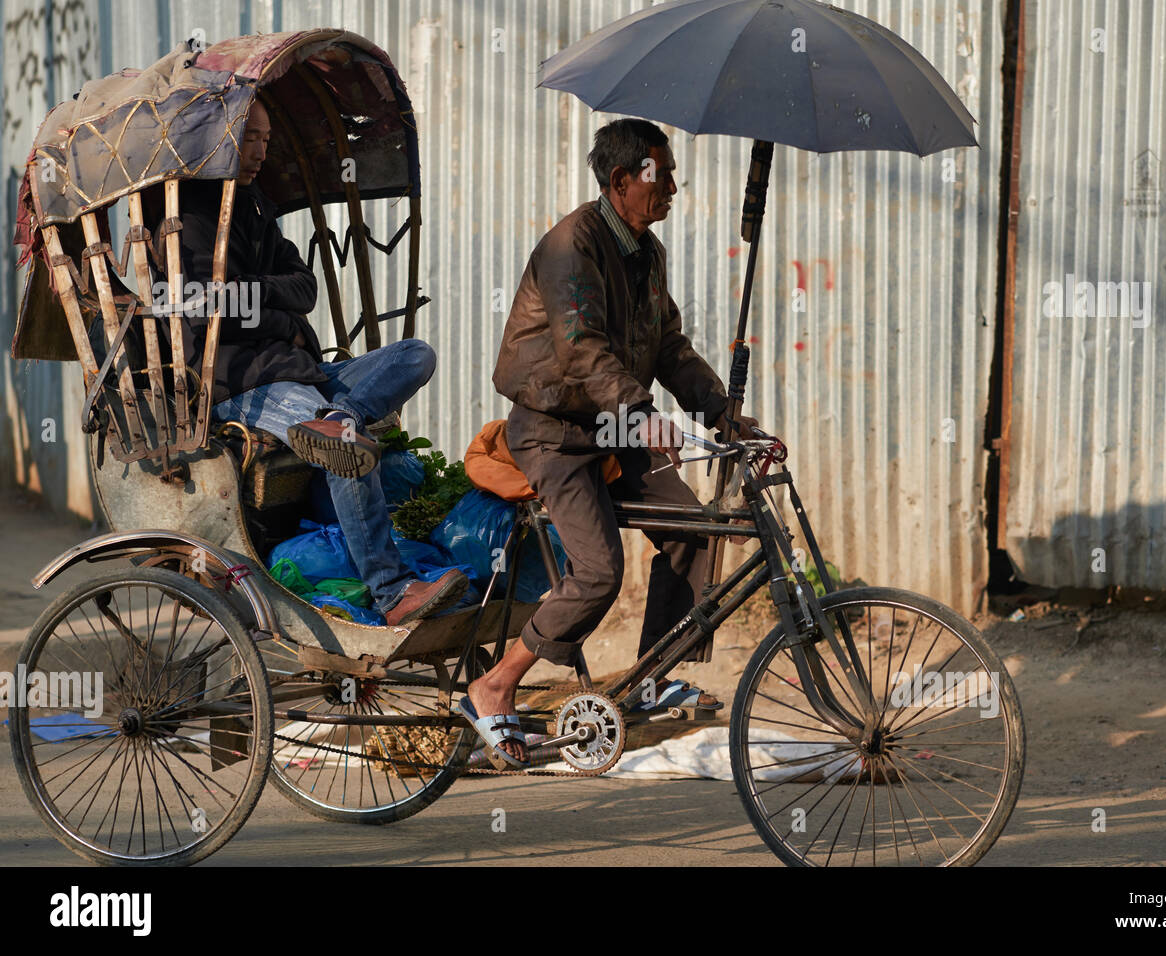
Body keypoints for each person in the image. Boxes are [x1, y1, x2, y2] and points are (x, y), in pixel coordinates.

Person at [471, 119, 760, 767]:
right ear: (622, 180)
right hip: (554, 430)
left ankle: (652, 680)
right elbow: (582, 347)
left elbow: (668, 349)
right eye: (663, 175)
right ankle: (494, 686)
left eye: (674, 174)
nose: (674, 187)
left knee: (695, 532)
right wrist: (639, 411)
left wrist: (725, 415)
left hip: (617, 424)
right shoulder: (571, 247)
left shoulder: (646, 253)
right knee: (599, 572)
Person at [172, 98, 466, 626]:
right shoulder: (192, 215)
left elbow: (303, 287)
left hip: (302, 373)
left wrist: (259, 296)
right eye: (248, 139)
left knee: (414, 355)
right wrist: (276, 311)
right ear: (216, 141)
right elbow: (208, 307)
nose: (260, 150)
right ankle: (392, 590)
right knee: (343, 451)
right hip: (244, 382)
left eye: (265, 138)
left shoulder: (254, 204)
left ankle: (340, 415)